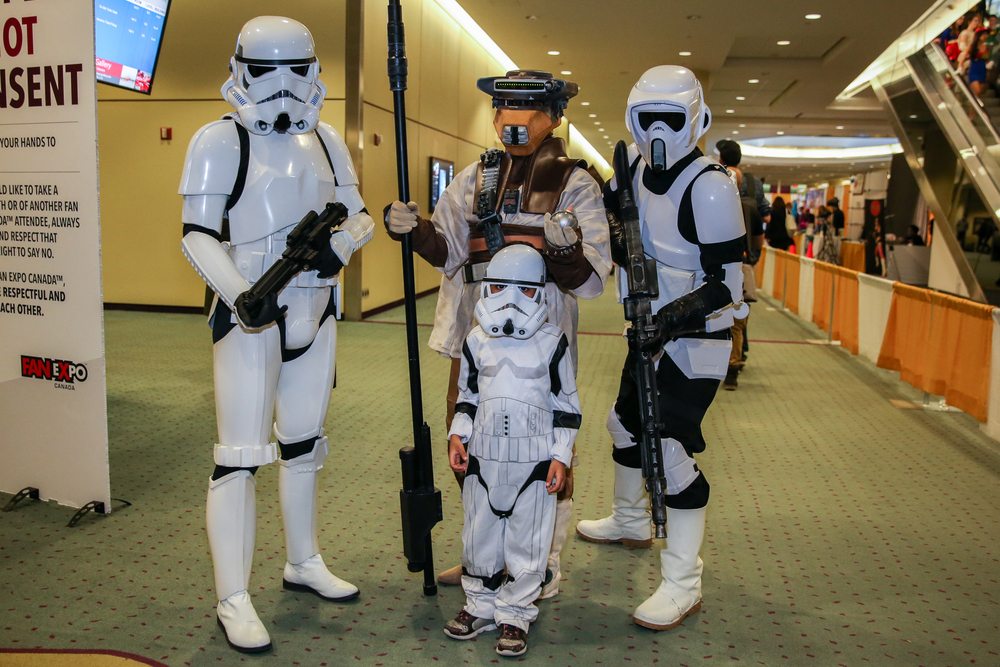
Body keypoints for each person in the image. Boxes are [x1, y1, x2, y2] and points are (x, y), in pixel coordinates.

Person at [179, 17, 374, 653]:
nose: (282, 86)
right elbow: (198, 233)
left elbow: (360, 215)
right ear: (241, 70)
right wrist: (242, 294)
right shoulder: (219, 140)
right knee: (239, 456)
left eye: (296, 70)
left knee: (304, 444)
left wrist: (339, 247)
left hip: (316, 306)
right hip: (249, 314)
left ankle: (302, 560)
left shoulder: (327, 142)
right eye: (266, 71)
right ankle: (232, 596)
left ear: (314, 71)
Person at [385, 69, 611, 593]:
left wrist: (563, 249)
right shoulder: (473, 178)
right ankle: (484, 555)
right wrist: (415, 231)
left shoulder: (576, 184)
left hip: (543, 339)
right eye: (504, 105)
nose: (512, 117)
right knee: (468, 441)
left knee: (544, 448)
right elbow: (450, 250)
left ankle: (540, 560)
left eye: (527, 105)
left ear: (554, 116)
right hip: (475, 338)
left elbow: (592, 281)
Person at [576, 65, 746, 630]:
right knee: (623, 425)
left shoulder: (710, 186)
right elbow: (617, 228)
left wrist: (670, 321)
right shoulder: (631, 172)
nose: (657, 132)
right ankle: (630, 521)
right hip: (645, 329)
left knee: (669, 450)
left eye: (669, 120)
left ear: (697, 120)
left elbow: (727, 286)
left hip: (696, 339)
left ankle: (683, 583)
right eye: (646, 118)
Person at [441, 245, 580, 657]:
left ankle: (516, 614)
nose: (511, 301)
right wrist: (458, 436)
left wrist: (561, 455)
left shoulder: (553, 343)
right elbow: (467, 397)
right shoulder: (475, 341)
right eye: (500, 287)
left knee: (528, 540)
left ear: (540, 293)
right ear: (487, 287)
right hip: (484, 458)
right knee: (478, 535)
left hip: (534, 462)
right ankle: (479, 606)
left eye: (525, 290)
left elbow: (567, 407)